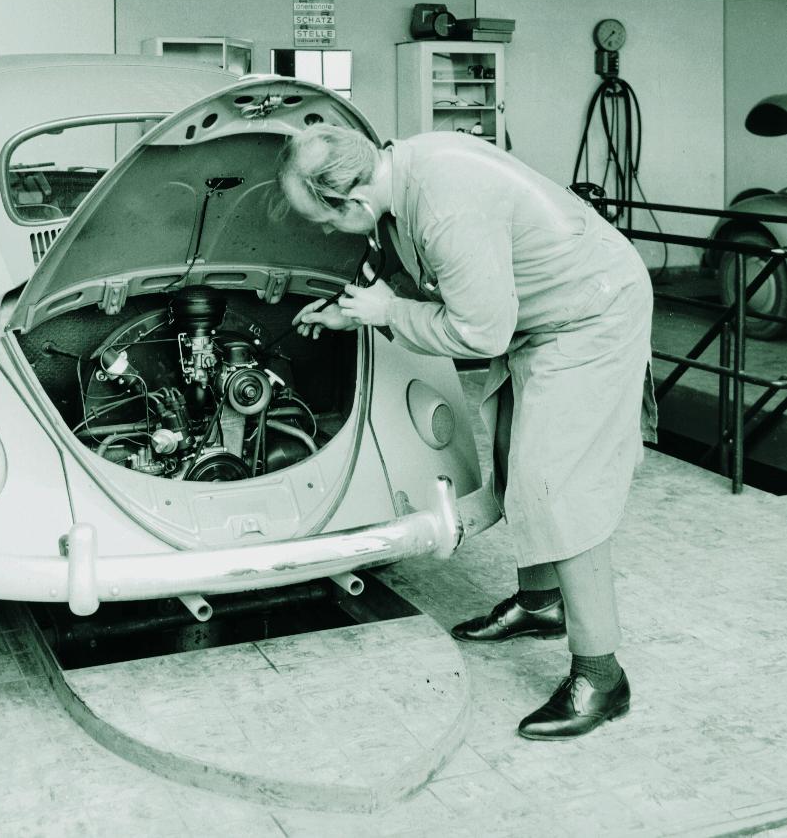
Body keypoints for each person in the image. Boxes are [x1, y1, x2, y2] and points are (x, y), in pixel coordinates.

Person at [277, 124, 655, 741]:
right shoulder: (399, 176)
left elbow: (481, 333)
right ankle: (541, 604)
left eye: (323, 220)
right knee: (512, 455)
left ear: (353, 201)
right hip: (542, 313)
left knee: (557, 485)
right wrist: (350, 312)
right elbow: (412, 269)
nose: (323, 232)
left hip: (591, 314)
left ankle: (601, 676)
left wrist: (387, 313)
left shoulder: (445, 205)